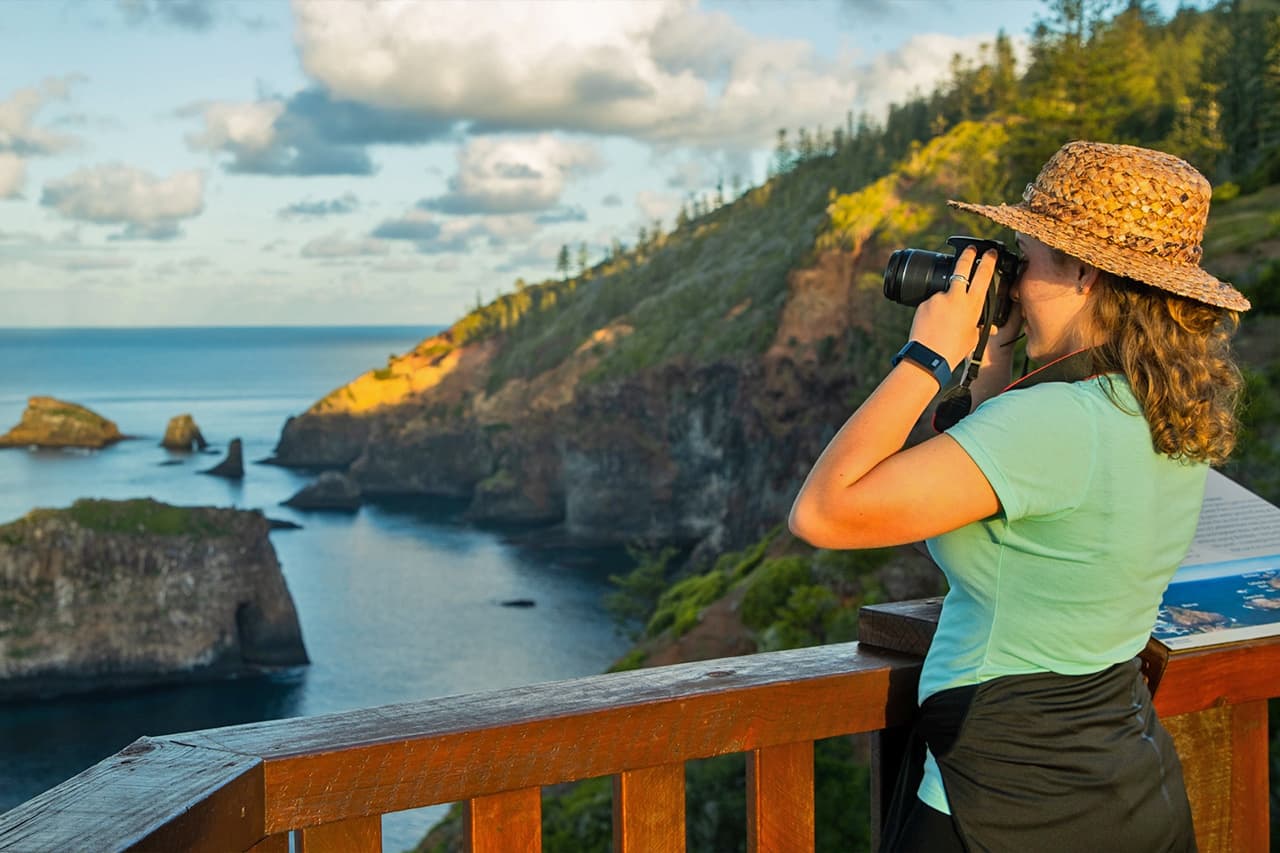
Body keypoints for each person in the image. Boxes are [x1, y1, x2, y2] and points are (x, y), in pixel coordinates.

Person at [789, 140, 1250, 852]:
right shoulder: (1156, 409)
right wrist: (994, 369)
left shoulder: (1052, 423)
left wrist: (928, 357)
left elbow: (822, 511)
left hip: (999, 803)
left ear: (1086, 274)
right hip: (1126, 784)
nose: (1009, 277)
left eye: (1023, 257)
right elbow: (1037, 509)